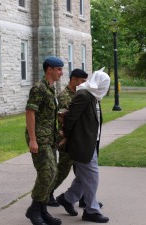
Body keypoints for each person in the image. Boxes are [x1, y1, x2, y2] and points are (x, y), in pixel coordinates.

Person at [56, 68, 110, 223]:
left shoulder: (90, 95)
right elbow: (70, 119)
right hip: (82, 143)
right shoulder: (84, 95)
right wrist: (66, 136)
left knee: (82, 177)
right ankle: (91, 210)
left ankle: (67, 198)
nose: (105, 89)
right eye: (105, 85)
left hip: (88, 142)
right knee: (92, 176)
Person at [25, 56, 64, 225]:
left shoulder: (51, 89)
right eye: (59, 69)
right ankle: (34, 210)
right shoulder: (39, 88)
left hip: (50, 138)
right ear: (50, 69)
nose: (62, 73)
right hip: (39, 138)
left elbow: (47, 115)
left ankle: (42, 210)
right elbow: (30, 112)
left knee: (52, 173)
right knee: (47, 173)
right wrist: (33, 140)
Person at [48, 68, 88, 207]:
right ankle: (47, 194)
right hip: (67, 138)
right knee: (63, 170)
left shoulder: (79, 94)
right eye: (82, 81)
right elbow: (63, 119)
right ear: (74, 80)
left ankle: (85, 198)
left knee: (82, 170)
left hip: (77, 138)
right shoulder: (65, 96)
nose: (84, 84)